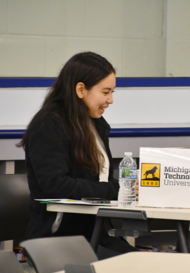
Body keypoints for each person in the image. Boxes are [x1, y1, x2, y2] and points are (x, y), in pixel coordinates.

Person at [18, 52, 138, 257]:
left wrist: (129, 190)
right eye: (105, 92)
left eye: (112, 92)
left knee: (145, 263)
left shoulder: (94, 124)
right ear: (81, 89)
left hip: (95, 234)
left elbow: (99, 182)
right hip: (58, 240)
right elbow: (56, 185)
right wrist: (117, 189)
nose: (110, 100)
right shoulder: (48, 123)